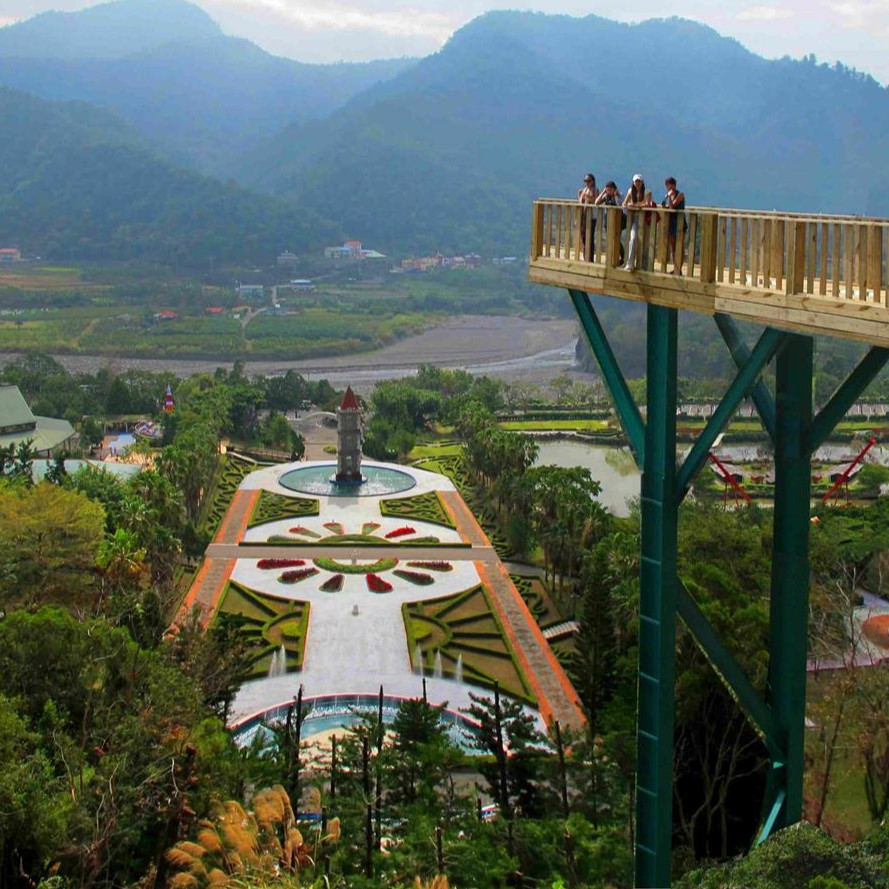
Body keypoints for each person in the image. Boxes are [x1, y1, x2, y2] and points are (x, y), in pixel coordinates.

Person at [594, 180, 625, 265]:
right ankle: (613, 258)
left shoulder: (619, 195)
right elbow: (596, 202)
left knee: (616, 238)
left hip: (618, 220)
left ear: (614, 189)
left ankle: (622, 256)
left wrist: (616, 196)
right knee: (610, 238)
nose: (609, 191)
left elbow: (620, 205)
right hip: (608, 219)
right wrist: (603, 192)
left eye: (611, 189)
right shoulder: (605, 196)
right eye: (608, 190)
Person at [621, 173, 646, 271]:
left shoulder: (646, 191)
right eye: (636, 181)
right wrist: (626, 205)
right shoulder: (631, 191)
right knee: (633, 238)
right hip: (634, 218)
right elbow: (625, 202)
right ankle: (630, 263)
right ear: (633, 182)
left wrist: (634, 205)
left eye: (639, 181)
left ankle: (644, 265)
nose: (638, 183)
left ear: (642, 182)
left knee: (646, 242)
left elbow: (647, 203)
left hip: (645, 219)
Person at [662, 176, 686, 273]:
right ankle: (676, 268)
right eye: (668, 185)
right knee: (673, 247)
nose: (670, 187)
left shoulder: (680, 194)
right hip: (671, 223)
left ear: (675, 185)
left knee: (680, 246)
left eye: (672, 185)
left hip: (680, 223)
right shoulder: (667, 195)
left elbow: (673, 206)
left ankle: (679, 268)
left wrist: (671, 196)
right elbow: (666, 207)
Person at [578, 173, 598, 259]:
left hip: (591, 217)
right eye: (585, 181)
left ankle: (590, 258)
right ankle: (585, 255)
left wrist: (588, 197)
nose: (587, 183)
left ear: (593, 181)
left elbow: (596, 200)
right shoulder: (584, 190)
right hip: (583, 216)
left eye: (589, 181)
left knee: (589, 237)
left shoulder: (595, 190)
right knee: (583, 236)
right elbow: (580, 202)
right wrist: (580, 196)